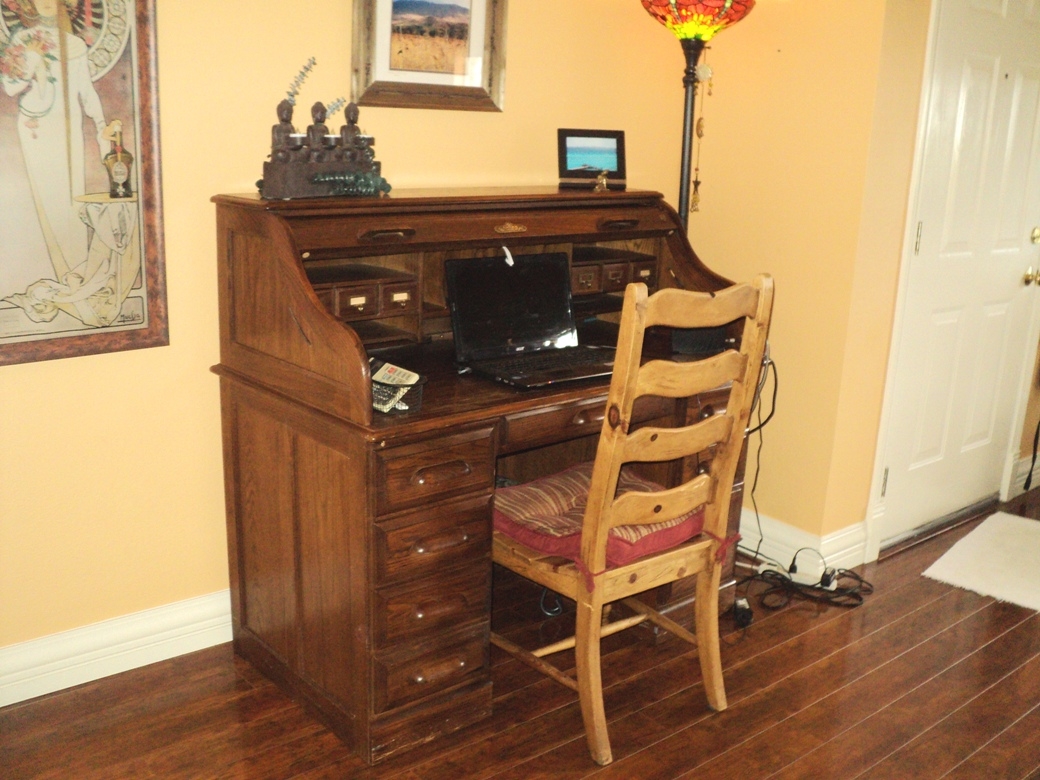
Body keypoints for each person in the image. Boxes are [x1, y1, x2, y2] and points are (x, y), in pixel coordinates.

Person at [0, 0, 121, 326]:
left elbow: (86, 91)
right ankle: (37, 275)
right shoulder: (21, 39)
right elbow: (10, 87)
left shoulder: (74, 45)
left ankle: (71, 274)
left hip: (67, 130)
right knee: (38, 197)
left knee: (68, 200)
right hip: (34, 126)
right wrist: (32, 64)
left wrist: (100, 125)